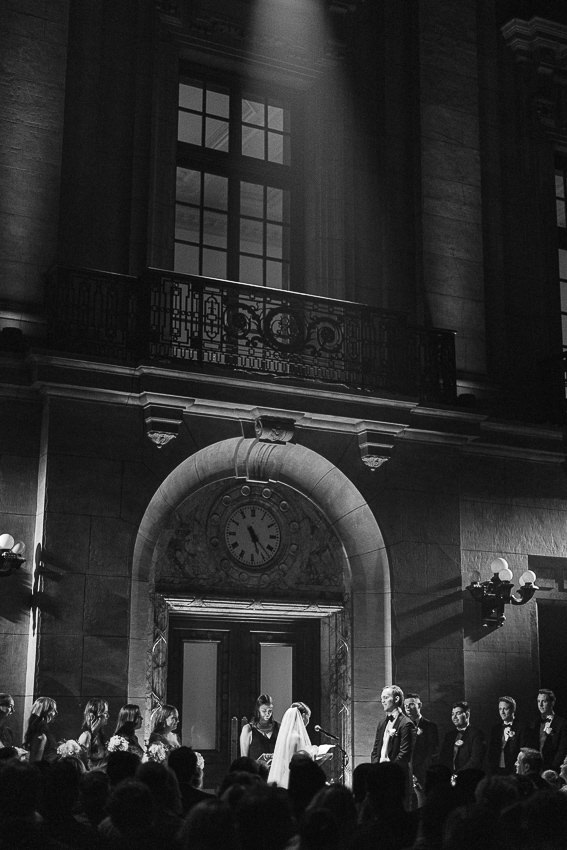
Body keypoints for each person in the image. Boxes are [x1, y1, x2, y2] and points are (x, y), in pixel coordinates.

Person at [370, 684, 415, 806]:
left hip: (396, 777)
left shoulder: (406, 724)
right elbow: (375, 751)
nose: (382, 701)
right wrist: (375, 770)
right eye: (381, 698)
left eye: (385, 697)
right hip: (380, 776)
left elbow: (404, 754)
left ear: (396, 699)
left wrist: (389, 772)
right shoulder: (382, 722)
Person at [267, 701, 316, 788]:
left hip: (283, 776)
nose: (309, 720)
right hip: (294, 779)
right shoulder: (297, 737)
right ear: (304, 716)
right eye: (309, 716)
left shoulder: (285, 736)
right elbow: (297, 762)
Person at [404, 692, 438, 806]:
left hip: (422, 773)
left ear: (420, 705)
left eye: (411, 704)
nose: (408, 707)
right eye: (405, 705)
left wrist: (418, 773)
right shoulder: (402, 726)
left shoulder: (430, 726)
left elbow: (432, 752)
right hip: (405, 773)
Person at [439, 700, 486, 777]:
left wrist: (458, 775)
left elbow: (475, 761)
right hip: (450, 778)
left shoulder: (477, 734)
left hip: (468, 777)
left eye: (458, 714)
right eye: (452, 714)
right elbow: (443, 759)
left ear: (467, 715)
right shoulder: (449, 735)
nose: (454, 717)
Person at [525, 688, 567, 771]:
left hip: (554, 770)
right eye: (538, 701)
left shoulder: (562, 724)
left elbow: (562, 750)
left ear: (552, 702)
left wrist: (552, 768)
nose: (540, 705)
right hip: (535, 770)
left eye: (544, 701)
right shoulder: (534, 723)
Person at [487, 695, 524, 775]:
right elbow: (491, 752)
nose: (502, 712)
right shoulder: (495, 729)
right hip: (497, 770)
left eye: (505, 709)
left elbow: (522, 752)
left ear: (513, 710)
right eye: (500, 709)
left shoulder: (521, 728)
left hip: (514, 771)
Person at [240, 693, 280, 766]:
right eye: (264, 711)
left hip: (275, 771)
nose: (267, 714)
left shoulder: (278, 727)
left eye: (270, 711)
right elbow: (244, 759)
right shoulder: (248, 729)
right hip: (255, 772)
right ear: (258, 710)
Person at [78, 697, 110, 770]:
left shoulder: (100, 735)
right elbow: (83, 764)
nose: (108, 716)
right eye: (105, 713)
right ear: (93, 716)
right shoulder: (86, 736)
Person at [24, 696, 58, 764]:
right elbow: (35, 763)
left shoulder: (38, 732)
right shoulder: (40, 735)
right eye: (53, 710)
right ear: (46, 712)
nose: (56, 713)